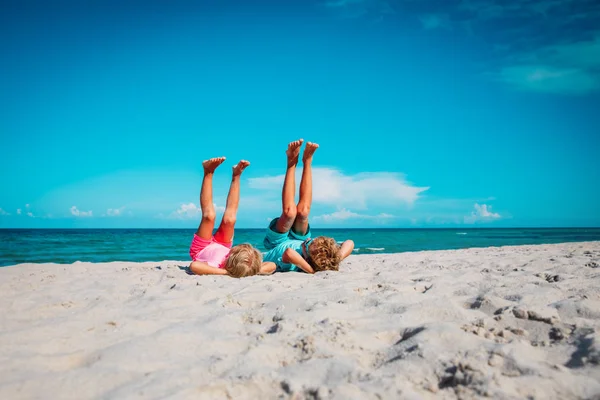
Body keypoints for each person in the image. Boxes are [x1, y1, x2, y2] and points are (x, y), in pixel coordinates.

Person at [261, 139, 354, 274]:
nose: (309, 240)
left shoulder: (294, 263)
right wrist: (337, 258)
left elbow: (288, 253)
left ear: (307, 258)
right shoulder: (325, 255)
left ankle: (291, 161)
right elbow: (350, 242)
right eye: (312, 241)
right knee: (303, 212)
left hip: (277, 243)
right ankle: (307, 161)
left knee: (290, 213)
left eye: (308, 244)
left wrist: (311, 270)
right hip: (299, 238)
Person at [189, 157, 264, 278]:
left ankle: (208, 171)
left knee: (209, 216)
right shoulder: (246, 264)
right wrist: (253, 270)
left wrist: (225, 272)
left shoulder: (216, 263)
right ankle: (236, 175)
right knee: (230, 220)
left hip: (201, 248)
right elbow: (272, 265)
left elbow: (194, 266)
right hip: (223, 245)